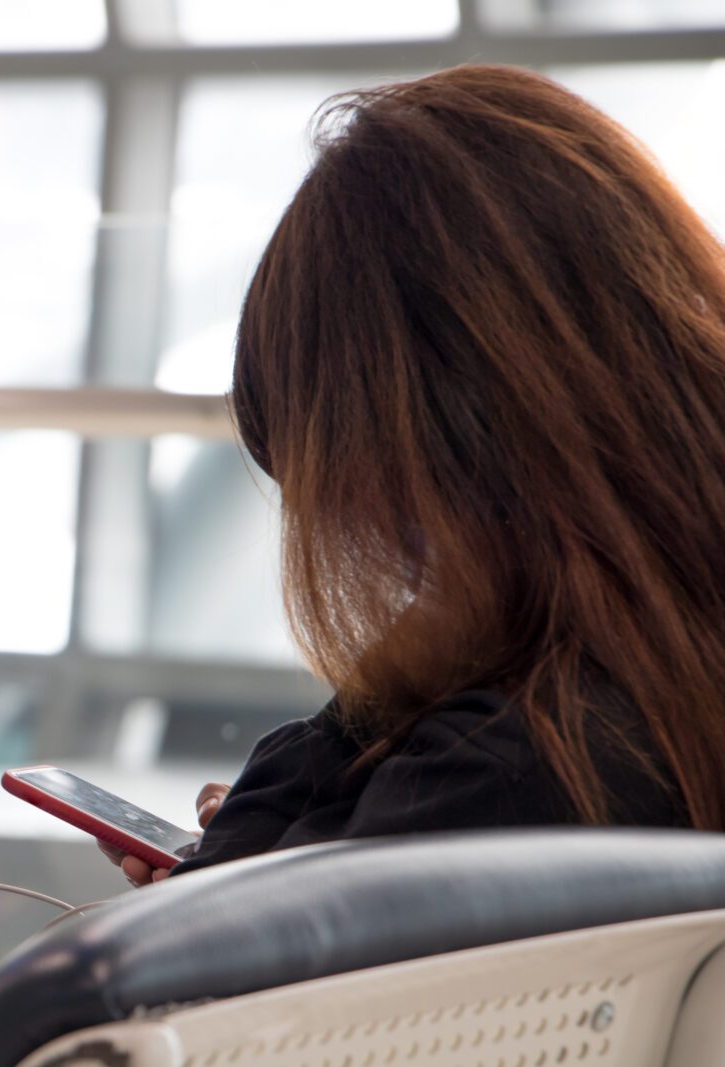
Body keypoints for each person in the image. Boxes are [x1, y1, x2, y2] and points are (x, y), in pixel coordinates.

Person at [109, 63, 725, 888]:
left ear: (426, 457)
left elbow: (202, 968)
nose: (396, 557)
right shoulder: (658, 671)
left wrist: (238, 858)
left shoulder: (504, 770)